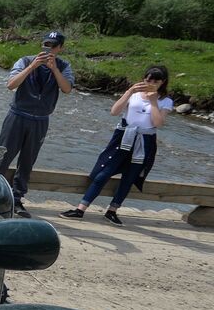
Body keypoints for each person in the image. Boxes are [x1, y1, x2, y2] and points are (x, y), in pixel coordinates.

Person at [61, 66, 174, 226]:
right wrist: (129, 92)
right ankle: (80, 209)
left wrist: (154, 101)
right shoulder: (133, 94)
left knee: (129, 177)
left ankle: (112, 211)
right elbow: (114, 111)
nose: (151, 83)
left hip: (144, 141)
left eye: (156, 81)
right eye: (148, 79)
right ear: (144, 78)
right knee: (103, 173)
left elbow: (158, 123)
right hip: (123, 137)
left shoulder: (165, 101)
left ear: (163, 82)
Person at [0, 30, 74, 217]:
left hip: (40, 120)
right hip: (17, 116)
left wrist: (54, 69)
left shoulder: (64, 66)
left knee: (28, 161)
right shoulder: (25, 61)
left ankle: (17, 199)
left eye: (53, 46)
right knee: (2, 158)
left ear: (60, 48)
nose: (49, 49)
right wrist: (33, 67)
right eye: (46, 44)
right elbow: (11, 84)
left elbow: (67, 89)